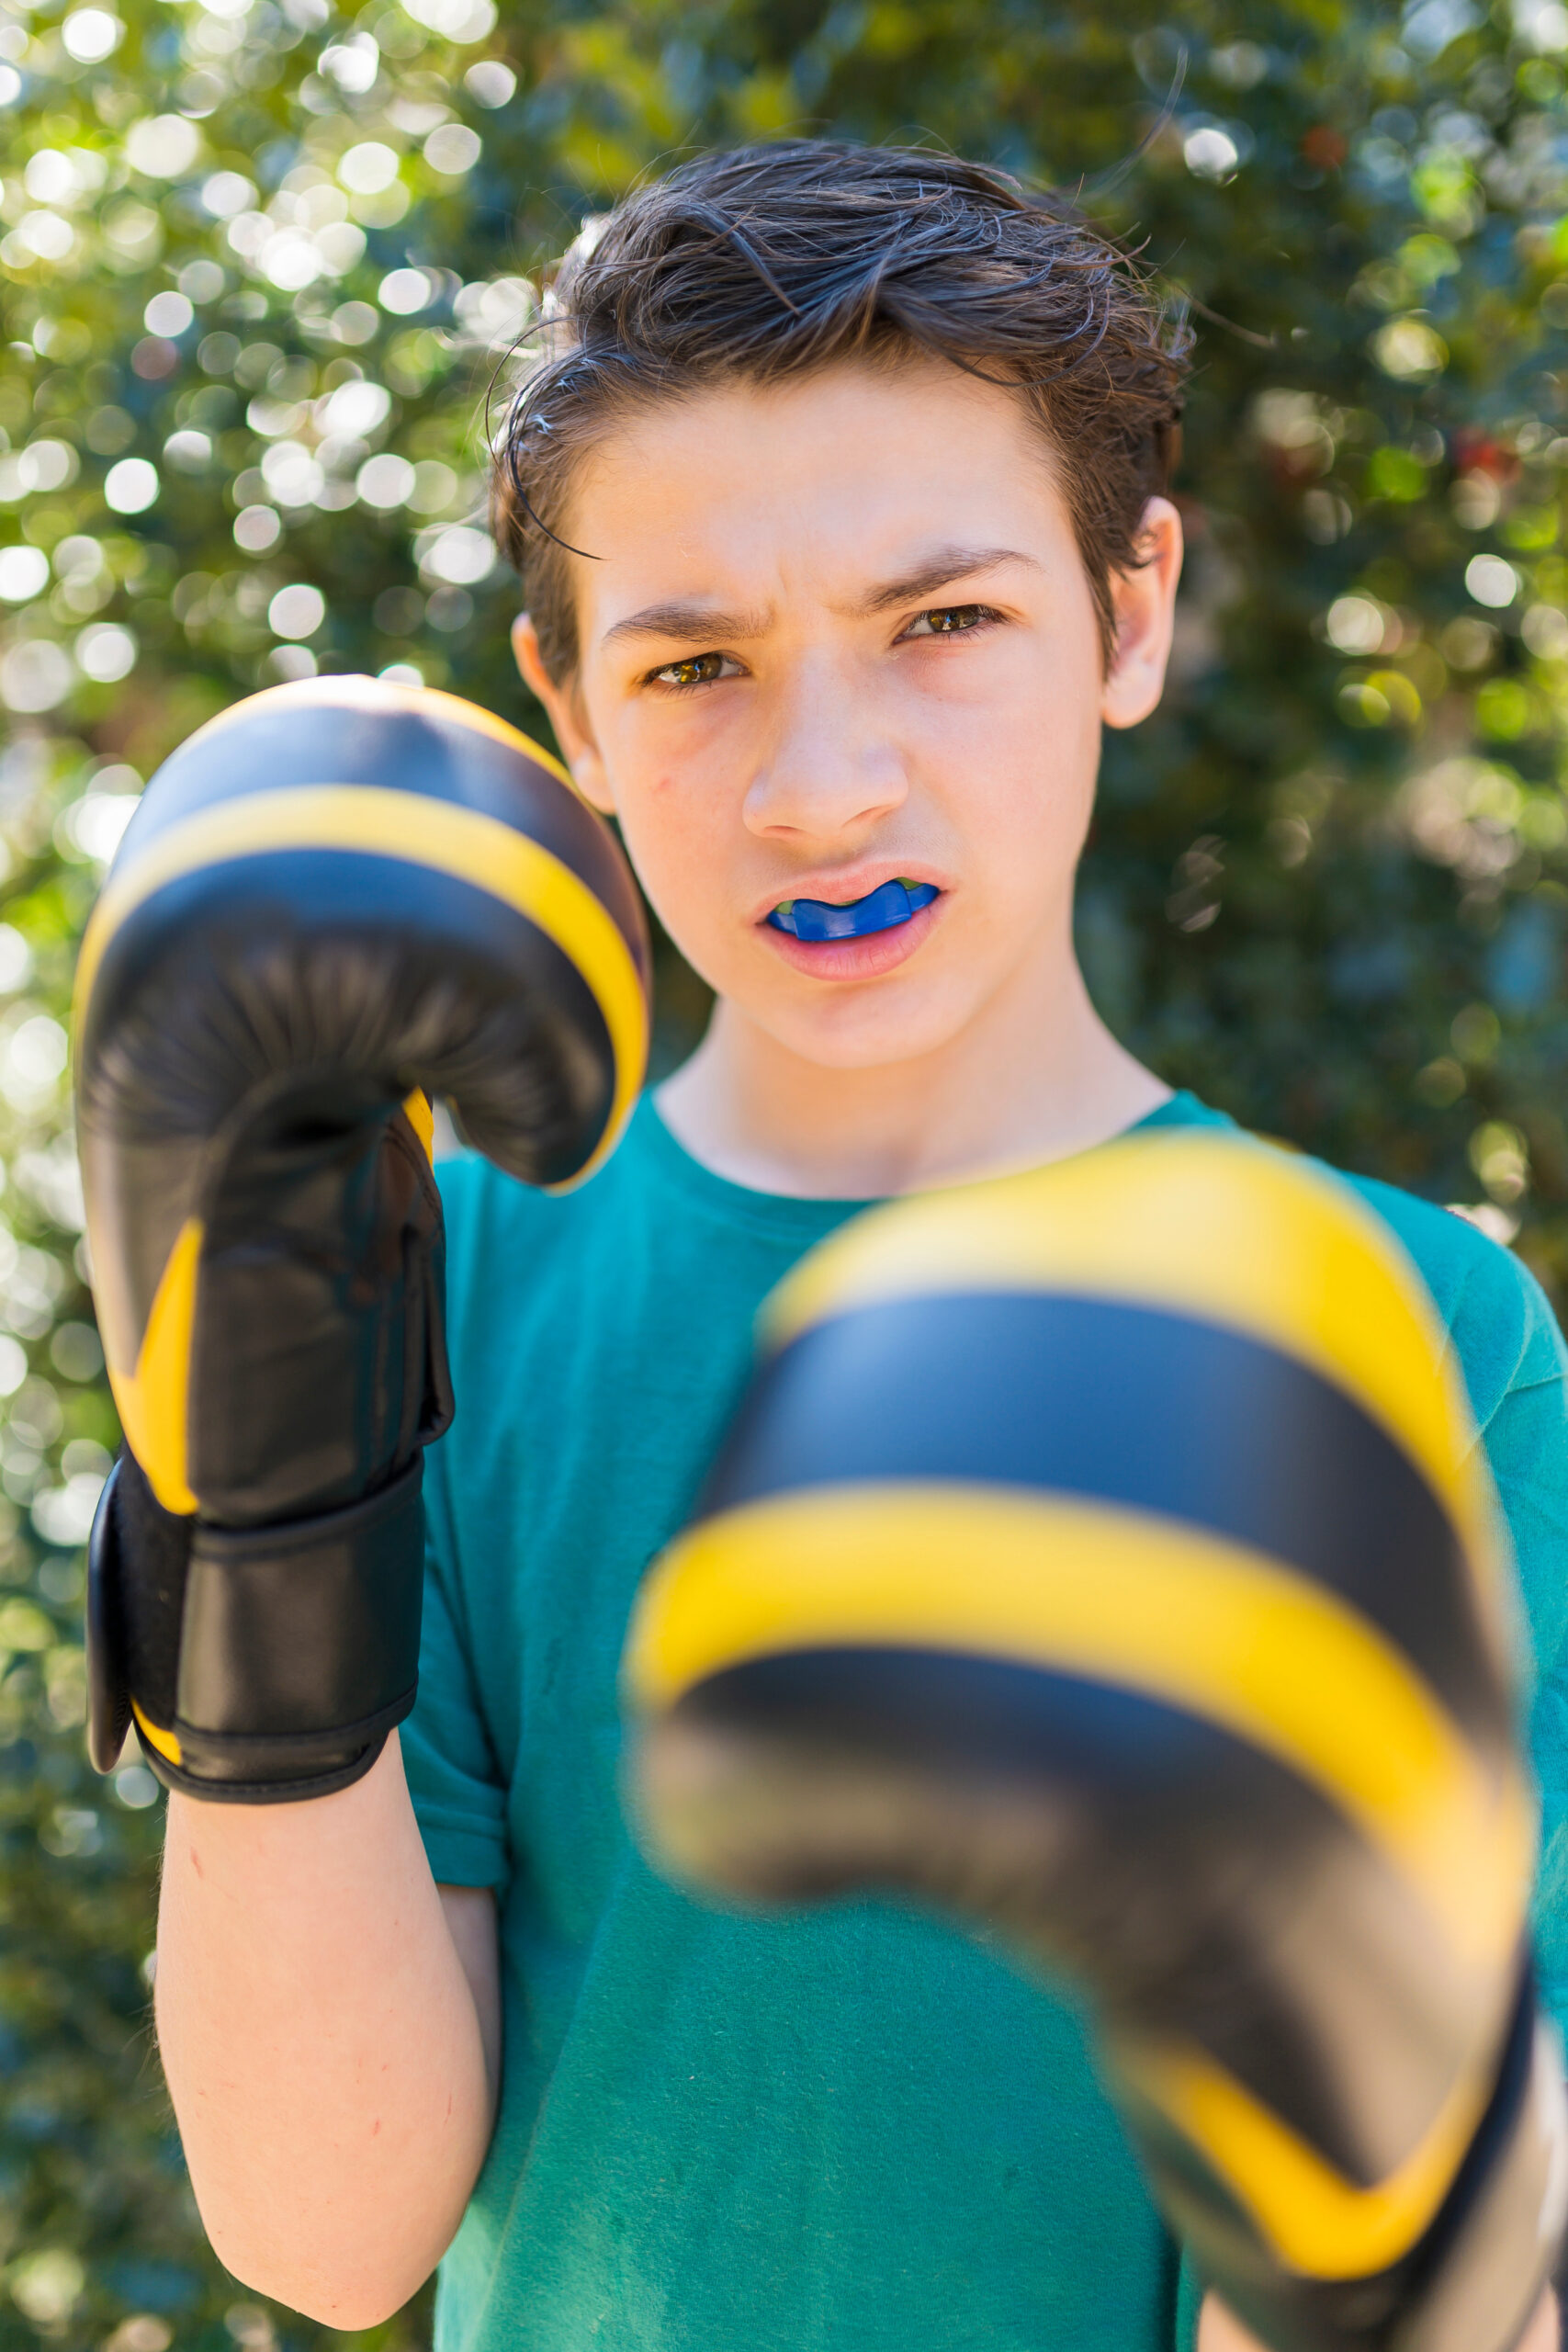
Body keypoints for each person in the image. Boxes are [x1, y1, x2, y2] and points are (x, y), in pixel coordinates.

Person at [145, 142, 1568, 2351]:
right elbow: (326, 2231)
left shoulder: (1410, 1335)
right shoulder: (439, 1294)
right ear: (568, 709)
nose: (822, 783)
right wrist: (258, 1497)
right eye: (696, 660)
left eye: (941, 621)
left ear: (1126, 608)